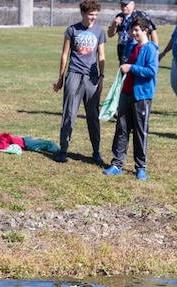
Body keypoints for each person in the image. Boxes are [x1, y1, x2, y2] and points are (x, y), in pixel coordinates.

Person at [53, 0, 105, 164]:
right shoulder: (72, 30)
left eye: (96, 15)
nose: (93, 18)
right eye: (91, 14)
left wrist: (101, 77)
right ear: (83, 13)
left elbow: (101, 56)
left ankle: (96, 151)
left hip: (91, 77)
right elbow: (64, 55)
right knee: (69, 113)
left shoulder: (99, 31)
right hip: (74, 74)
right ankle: (63, 150)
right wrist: (61, 77)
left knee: (93, 115)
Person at [104, 16, 156, 180]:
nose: (133, 33)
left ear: (145, 31)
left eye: (137, 30)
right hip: (126, 94)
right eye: (132, 30)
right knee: (122, 129)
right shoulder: (131, 46)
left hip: (142, 96)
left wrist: (131, 68)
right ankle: (116, 163)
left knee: (140, 132)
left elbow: (151, 71)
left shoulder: (151, 49)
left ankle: (141, 167)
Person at [107, 0, 157, 66]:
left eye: (126, 5)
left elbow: (152, 31)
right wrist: (115, 25)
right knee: (124, 73)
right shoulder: (119, 16)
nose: (123, 7)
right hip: (123, 51)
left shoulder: (141, 15)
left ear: (133, 4)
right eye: (122, 5)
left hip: (138, 50)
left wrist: (155, 49)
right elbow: (110, 34)